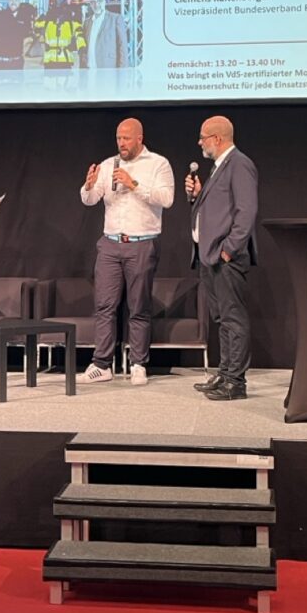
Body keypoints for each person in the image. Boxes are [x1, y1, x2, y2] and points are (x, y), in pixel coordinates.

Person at [79, 118, 174, 385]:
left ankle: (138, 363)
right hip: (110, 244)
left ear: (139, 138)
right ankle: (102, 364)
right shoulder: (108, 164)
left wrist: (134, 184)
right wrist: (88, 186)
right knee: (104, 306)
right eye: (118, 138)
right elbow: (89, 200)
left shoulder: (158, 164)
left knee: (139, 307)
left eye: (126, 138)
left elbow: (167, 199)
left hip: (141, 243)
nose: (121, 143)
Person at [186, 116, 258, 401]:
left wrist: (229, 249)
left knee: (233, 318)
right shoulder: (220, 166)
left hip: (225, 257)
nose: (199, 142)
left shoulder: (239, 164)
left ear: (217, 138)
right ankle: (225, 373)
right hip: (210, 256)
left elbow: (246, 211)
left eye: (203, 137)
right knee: (222, 318)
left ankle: (236, 382)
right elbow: (218, 209)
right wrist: (197, 196)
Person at [34, 0, 86, 69]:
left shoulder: (71, 16)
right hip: (49, 59)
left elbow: (79, 33)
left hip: (65, 59)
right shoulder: (49, 14)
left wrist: (82, 50)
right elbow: (36, 28)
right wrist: (40, 20)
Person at [83, 0, 129, 68]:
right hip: (89, 67)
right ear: (90, 4)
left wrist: (122, 71)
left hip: (108, 67)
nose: (96, 5)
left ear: (104, 2)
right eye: (93, 2)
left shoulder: (115, 19)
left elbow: (122, 46)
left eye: (99, 1)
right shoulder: (87, 22)